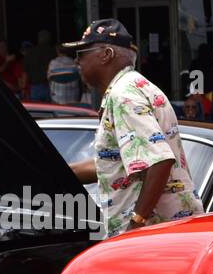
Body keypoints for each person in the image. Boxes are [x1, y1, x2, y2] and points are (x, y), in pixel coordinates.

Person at [61, 19, 203, 238]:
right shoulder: (134, 86)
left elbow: (160, 159)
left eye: (81, 54)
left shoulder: (123, 95)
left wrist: (136, 224)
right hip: (169, 233)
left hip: (152, 239)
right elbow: (117, 162)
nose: (77, 62)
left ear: (106, 54)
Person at [24, 29, 55, 102]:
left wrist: (24, 88)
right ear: (49, 38)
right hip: (49, 86)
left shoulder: (31, 53)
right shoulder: (53, 52)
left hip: (35, 87)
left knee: (37, 112)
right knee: (50, 110)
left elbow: (25, 73)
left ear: (38, 39)